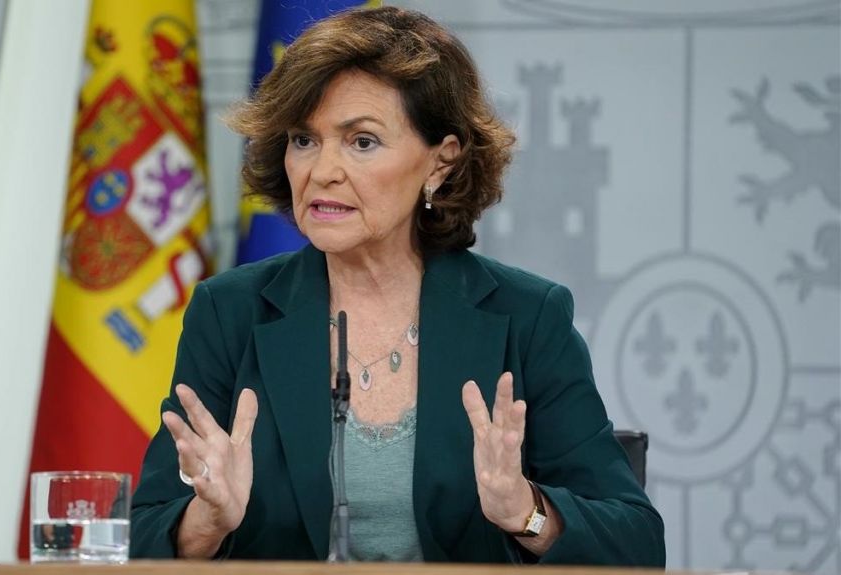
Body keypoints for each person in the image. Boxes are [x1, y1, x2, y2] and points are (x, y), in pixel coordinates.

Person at [130, 6, 665, 565]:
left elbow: (635, 543)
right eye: (303, 140)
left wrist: (525, 510)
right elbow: (141, 535)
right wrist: (206, 522)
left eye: (362, 142)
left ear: (441, 162)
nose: (322, 171)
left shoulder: (527, 316)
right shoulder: (231, 312)